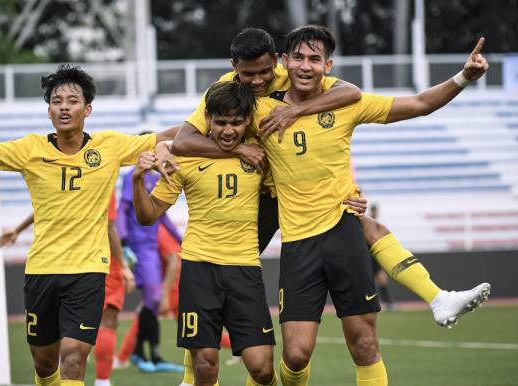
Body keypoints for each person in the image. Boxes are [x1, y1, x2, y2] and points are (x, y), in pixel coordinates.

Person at [173, 27, 490, 331]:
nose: (257, 80)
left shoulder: (303, 78)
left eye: (264, 72)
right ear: (235, 68)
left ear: (277, 61)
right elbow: (185, 139)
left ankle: (437, 297)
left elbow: (363, 94)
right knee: (220, 273)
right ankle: (194, 372)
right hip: (256, 196)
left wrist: (463, 77)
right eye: (248, 74)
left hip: (304, 198)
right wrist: (239, 149)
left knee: (364, 225)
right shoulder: (227, 89)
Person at [246, 25, 490, 386]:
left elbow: (420, 104)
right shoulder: (259, 107)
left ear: (328, 65)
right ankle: (437, 296)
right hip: (298, 245)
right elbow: (214, 126)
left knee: (363, 345)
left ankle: (438, 298)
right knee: (295, 356)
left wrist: (463, 77)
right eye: (298, 57)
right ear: (284, 61)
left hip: (344, 232)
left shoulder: (347, 102)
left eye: (315, 59)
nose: (305, 66)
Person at [0, 64, 177, 386]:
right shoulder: (29, 149)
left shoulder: (109, 146)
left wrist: (206, 119)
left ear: (87, 108)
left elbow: (163, 137)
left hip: (89, 270)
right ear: (49, 110)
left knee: (75, 354)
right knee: (44, 363)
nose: (64, 106)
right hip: (42, 270)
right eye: (56, 100)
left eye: (72, 100)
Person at [133, 81, 281, 386]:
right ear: (208, 120)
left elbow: (294, 193)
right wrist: (138, 180)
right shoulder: (185, 159)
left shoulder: (261, 156)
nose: (229, 130)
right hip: (200, 268)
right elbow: (148, 216)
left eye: (236, 122)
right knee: (205, 363)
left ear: (248, 121)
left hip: (244, 269)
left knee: (262, 368)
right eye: (221, 122)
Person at [0, 193, 136, 386]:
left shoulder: (97, 173)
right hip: (69, 264)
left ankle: (101, 381)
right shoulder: (92, 174)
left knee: (75, 352)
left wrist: (18, 229)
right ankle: (101, 380)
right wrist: (123, 265)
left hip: (86, 265)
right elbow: (108, 225)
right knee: (47, 358)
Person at [118, 156, 185, 373]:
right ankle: (142, 355)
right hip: (139, 247)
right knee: (153, 299)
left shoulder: (156, 178)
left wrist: (181, 239)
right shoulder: (132, 176)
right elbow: (123, 209)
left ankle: (146, 355)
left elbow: (161, 214)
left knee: (151, 303)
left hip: (150, 244)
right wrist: (124, 240)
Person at [367, 204, 396, 310]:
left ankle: (389, 304)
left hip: (375, 257)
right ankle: (369, 305)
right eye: (375, 211)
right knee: (366, 283)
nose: (376, 213)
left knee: (382, 280)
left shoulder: (378, 224)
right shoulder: (367, 222)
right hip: (367, 256)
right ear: (372, 211)